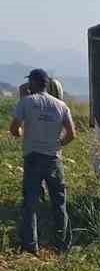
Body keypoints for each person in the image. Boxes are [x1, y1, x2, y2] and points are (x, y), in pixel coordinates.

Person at [9, 68, 76, 255]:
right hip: (54, 159)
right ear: (47, 84)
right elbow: (72, 134)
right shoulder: (61, 105)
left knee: (31, 203)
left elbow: (14, 129)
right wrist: (57, 144)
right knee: (59, 203)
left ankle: (31, 246)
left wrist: (25, 134)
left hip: (32, 158)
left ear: (32, 83)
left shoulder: (26, 102)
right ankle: (61, 246)